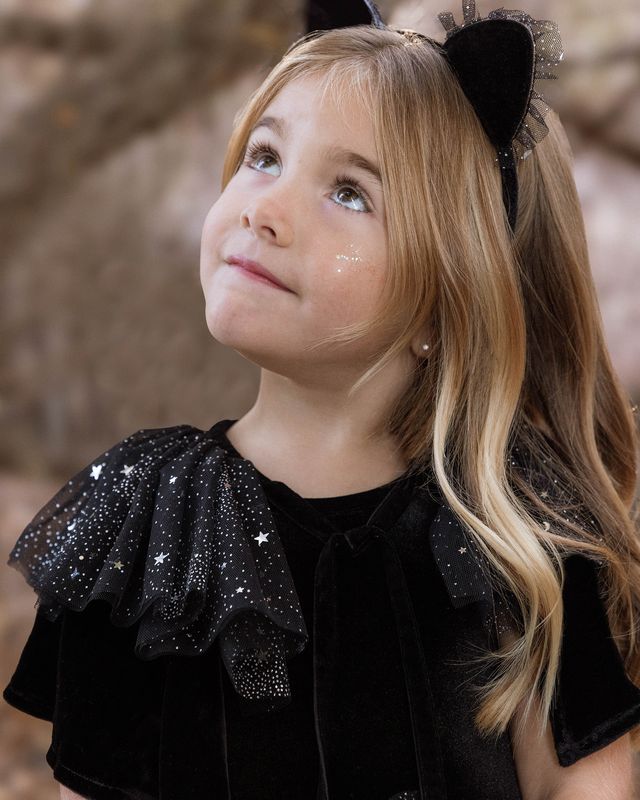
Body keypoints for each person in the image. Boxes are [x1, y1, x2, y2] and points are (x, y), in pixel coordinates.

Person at [4, 2, 640, 798]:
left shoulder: (511, 537)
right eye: (264, 156)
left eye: (349, 193)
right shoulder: (143, 528)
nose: (262, 211)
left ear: (446, 300)